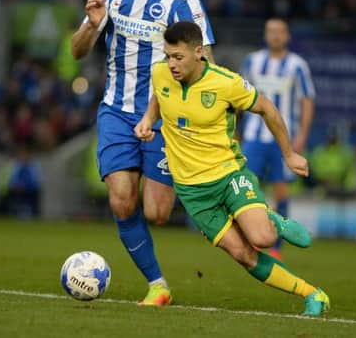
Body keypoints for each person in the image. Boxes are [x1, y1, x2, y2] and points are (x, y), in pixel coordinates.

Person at [134, 21, 329, 316]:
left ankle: (272, 221)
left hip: (228, 175)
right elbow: (160, 97)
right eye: (168, 56)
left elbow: (267, 108)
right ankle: (313, 294)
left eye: (178, 57)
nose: (171, 64)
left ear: (198, 52)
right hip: (192, 192)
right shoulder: (161, 72)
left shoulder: (226, 83)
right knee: (244, 255)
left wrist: (289, 154)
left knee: (263, 238)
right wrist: (148, 119)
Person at [70, 0, 215, 306]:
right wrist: (93, 25)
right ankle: (157, 285)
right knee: (121, 199)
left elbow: (208, 67)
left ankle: (207, 201)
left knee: (158, 212)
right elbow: (77, 50)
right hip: (116, 110)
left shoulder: (183, 2)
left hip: (166, 118)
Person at [239, 18, 315, 260]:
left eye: (280, 31)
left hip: (283, 138)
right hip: (253, 135)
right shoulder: (252, 61)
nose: (275, 35)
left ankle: (276, 248)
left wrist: (302, 134)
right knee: (248, 187)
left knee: (281, 190)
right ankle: (250, 238)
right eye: (271, 31)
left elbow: (307, 100)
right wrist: (234, 131)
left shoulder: (297, 65)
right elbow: (237, 97)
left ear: (287, 36)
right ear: (265, 34)